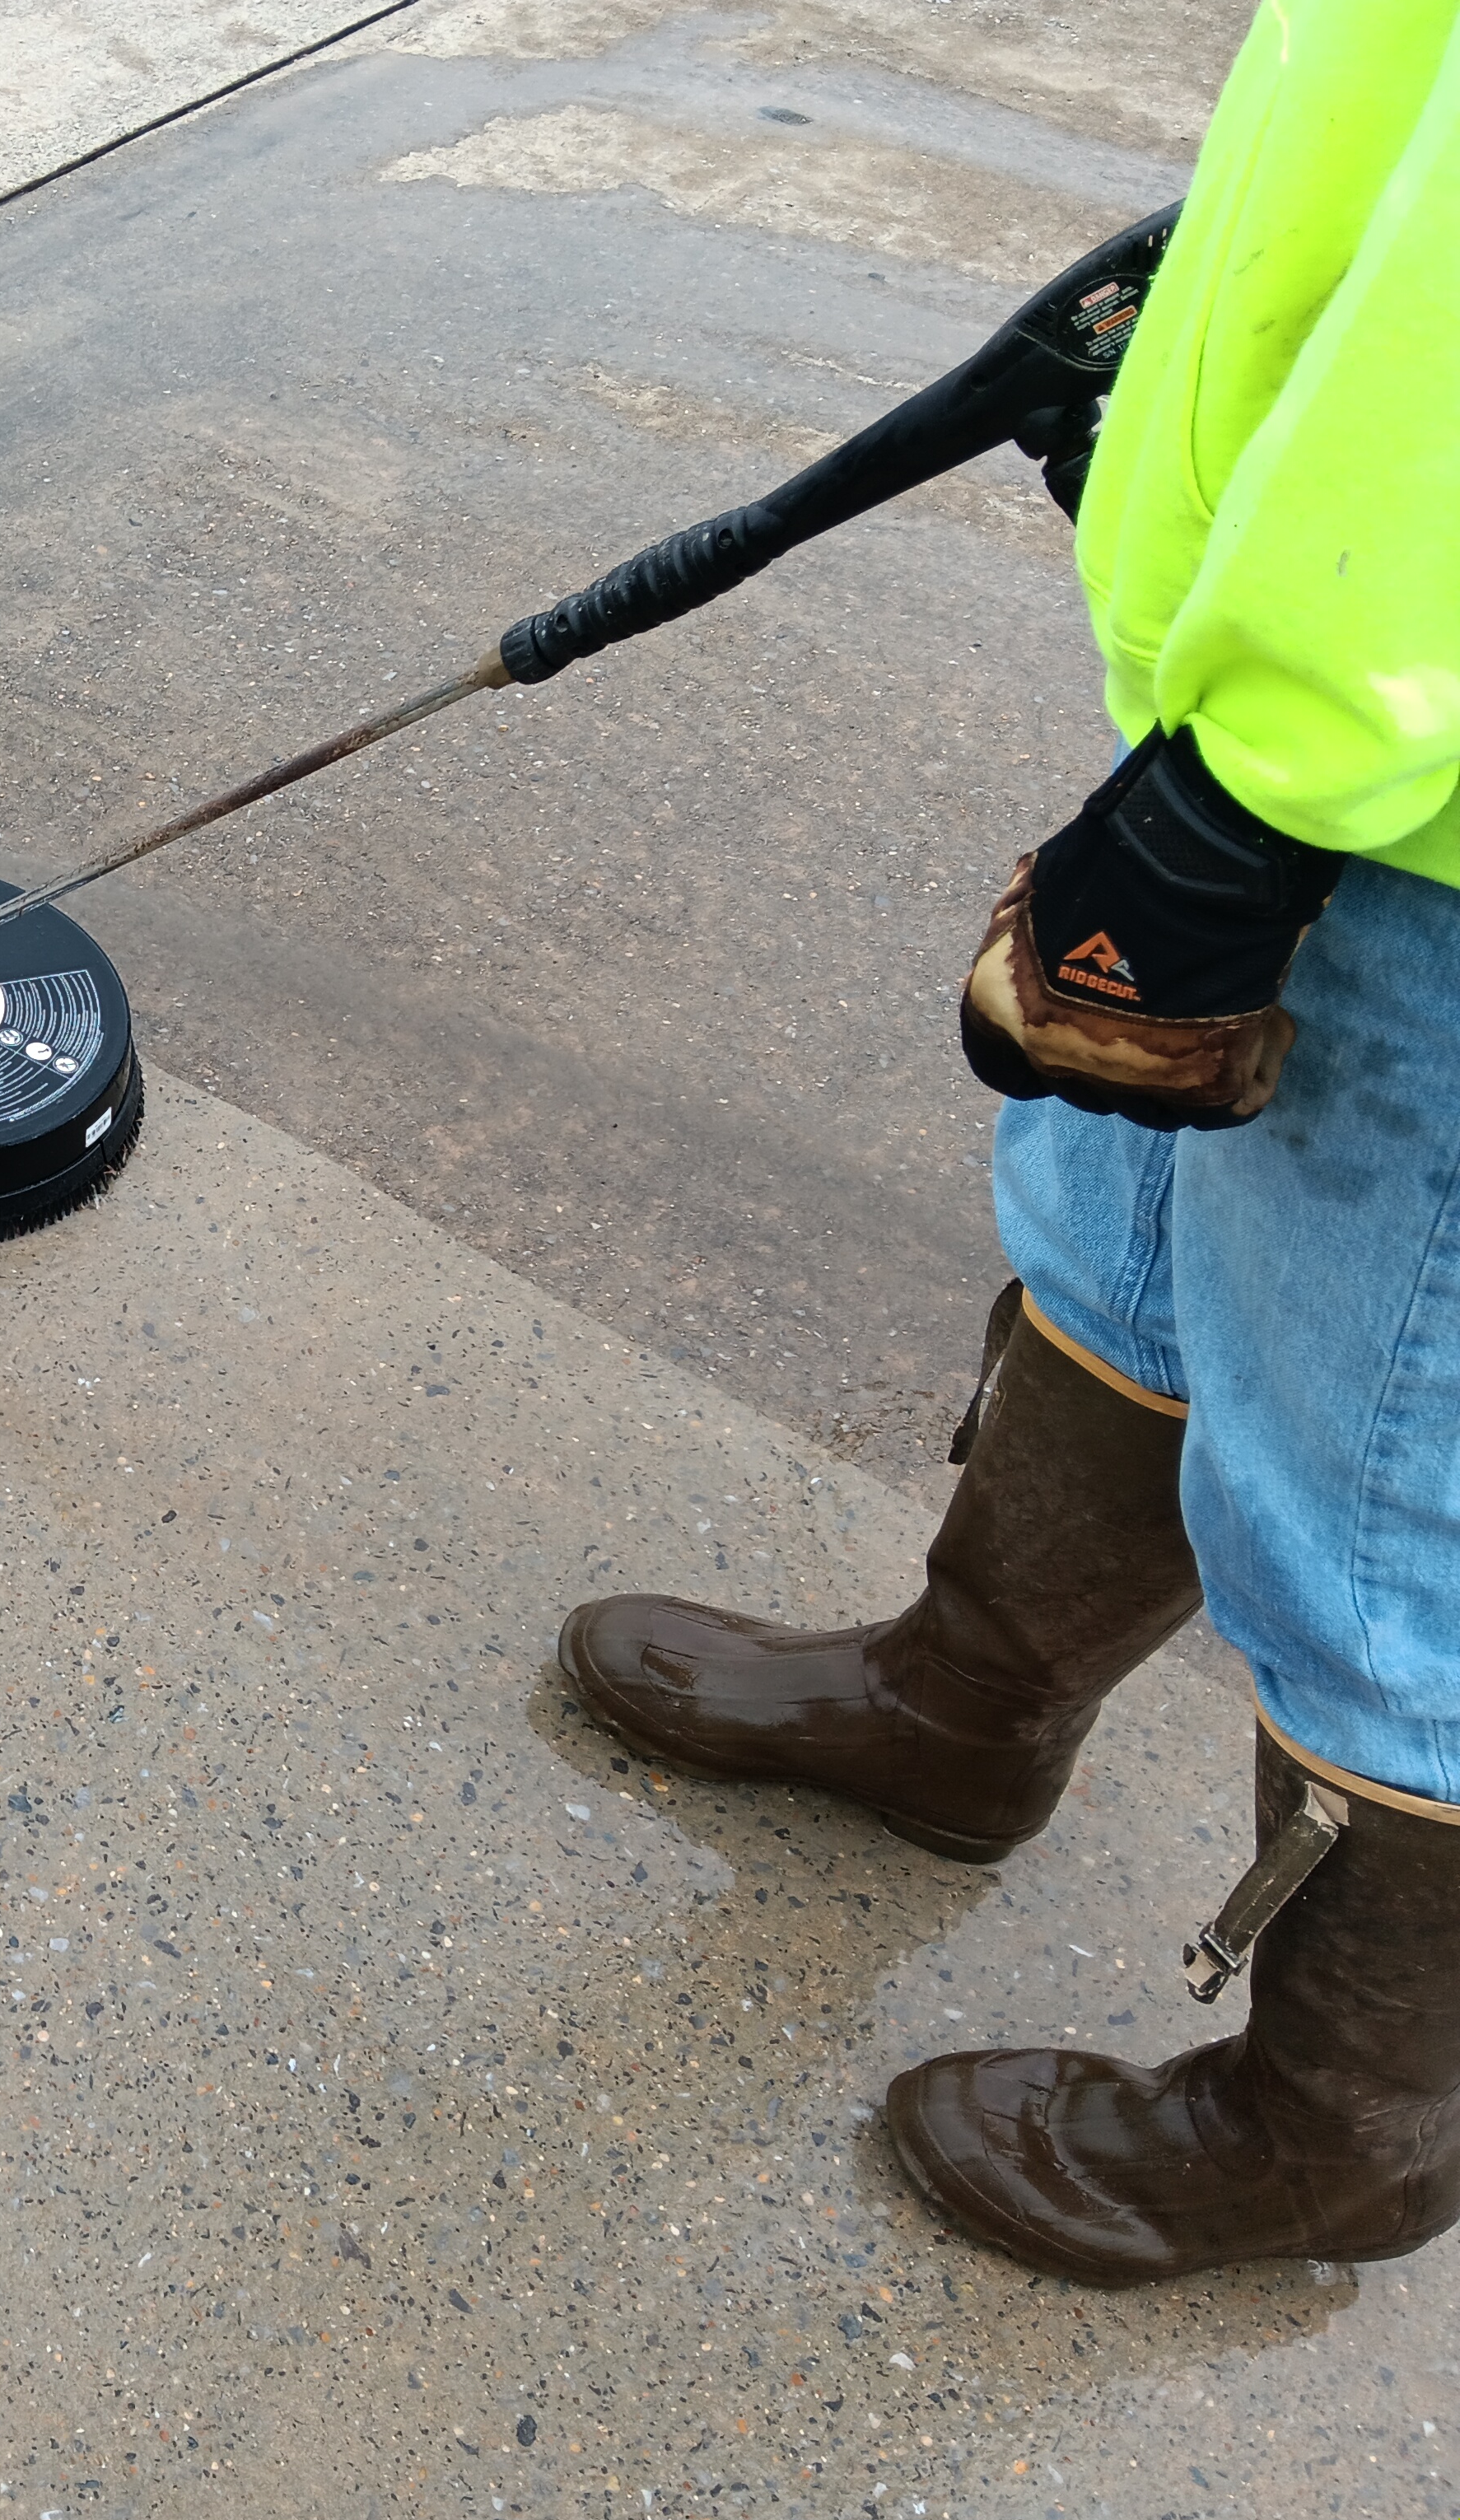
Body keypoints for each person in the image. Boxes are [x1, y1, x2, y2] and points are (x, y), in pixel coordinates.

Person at [554, 0, 1460, 2285]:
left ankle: (1347, 2125)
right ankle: (969, 1703)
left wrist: (1282, 759)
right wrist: (1226, 345)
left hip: (1415, 789)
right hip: (1319, 686)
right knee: (1126, 1244)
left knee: (1391, 1518)